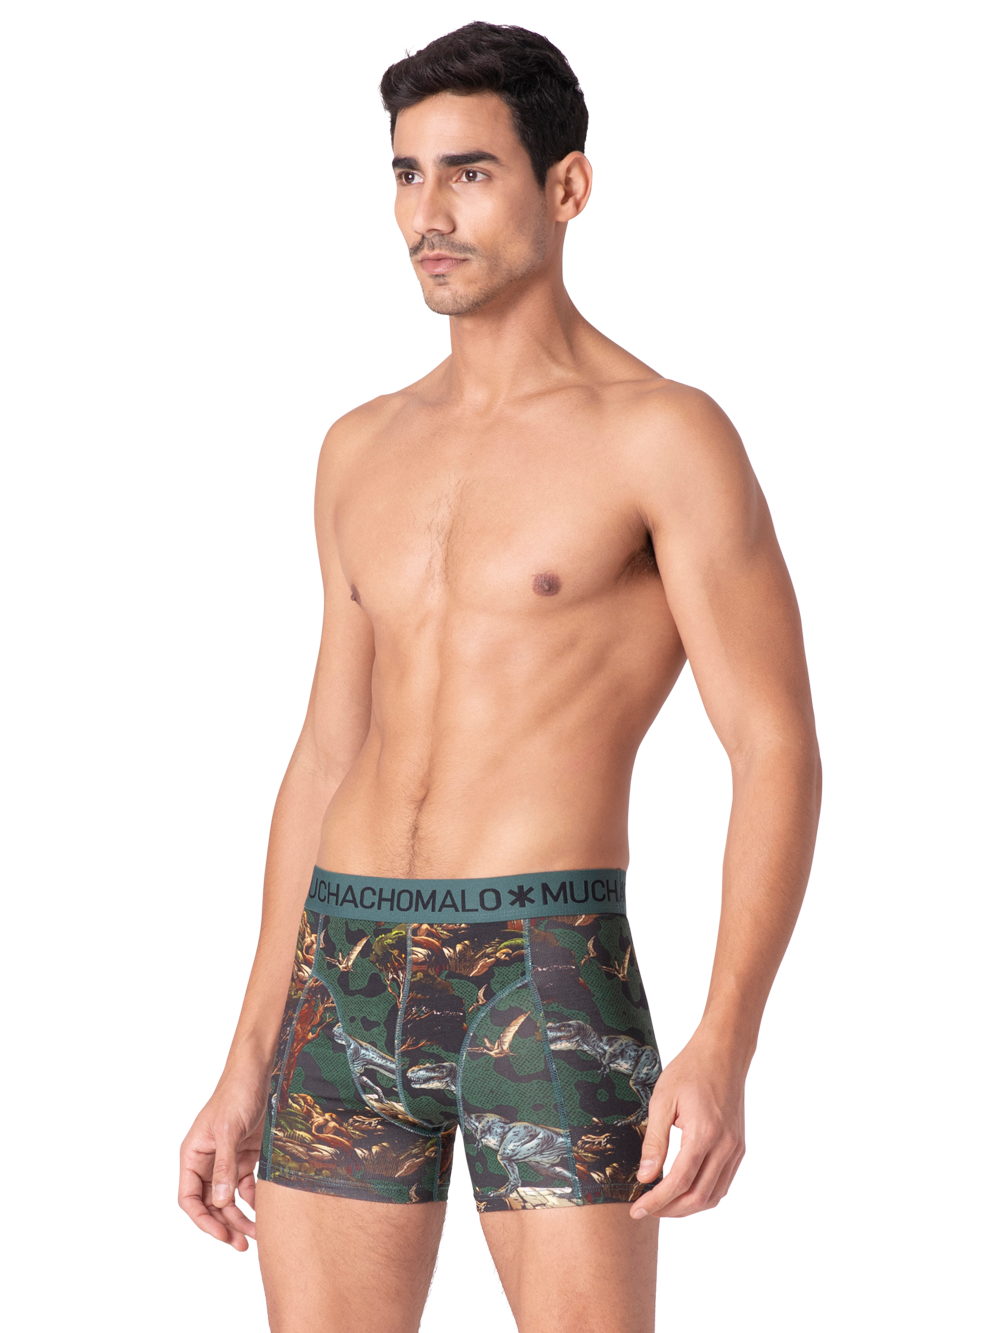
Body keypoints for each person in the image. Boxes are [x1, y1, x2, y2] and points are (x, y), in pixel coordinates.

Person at [179, 22, 821, 1333]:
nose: (429, 214)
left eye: (469, 173)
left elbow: (774, 743)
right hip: (342, 973)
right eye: (407, 175)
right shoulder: (360, 448)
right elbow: (328, 753)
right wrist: (247, 1049)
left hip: (541, 970)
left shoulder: (662, 437)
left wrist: (724, 1041)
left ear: (565, 187)